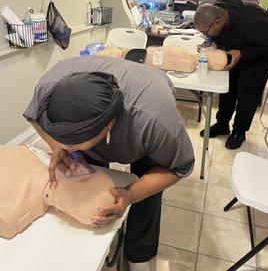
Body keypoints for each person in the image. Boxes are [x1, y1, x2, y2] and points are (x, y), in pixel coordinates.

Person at [23, 56, 194, 271]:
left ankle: (139, 252)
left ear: (108, 127)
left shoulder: (156, 122)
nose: (66, 149)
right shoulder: (48, 88)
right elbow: (34, 119)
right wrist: (56, 146)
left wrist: (132, 194)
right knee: (87, 172)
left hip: (146, 96)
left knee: (144, 190)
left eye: (73, 144)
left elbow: (178, 168)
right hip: (98, 109)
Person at [194, 0, 268, 149]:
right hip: (240, 42)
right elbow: (215, 35)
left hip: (264, 45)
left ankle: (239, 131)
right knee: (228, 84)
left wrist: (242, 53)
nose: (205, 35)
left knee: (248, 89)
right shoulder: (216, 9)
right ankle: (222, 124)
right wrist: (212, 42)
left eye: (205, 32)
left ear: (217, 23)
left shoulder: (252, 21)